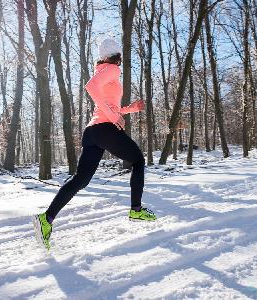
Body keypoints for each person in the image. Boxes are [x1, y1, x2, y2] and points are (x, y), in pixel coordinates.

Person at [32, 38, 156, 250]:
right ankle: (136, 209)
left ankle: (46, 219)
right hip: (103, 129)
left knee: (81, 180)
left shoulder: (103, 70)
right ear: (117, 55)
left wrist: (128, 110)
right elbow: (91, 88)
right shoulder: (113, 70)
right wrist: (113, 116)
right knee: (138, 160)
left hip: (92, 132)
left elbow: (106, 104)